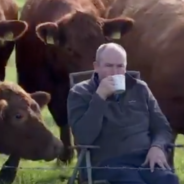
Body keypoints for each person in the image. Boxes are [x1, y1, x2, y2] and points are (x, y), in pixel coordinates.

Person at [67, 43, 179, 184]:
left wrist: (158, 146)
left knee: (169, 180)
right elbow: (83, 137)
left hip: (145, 159)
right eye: (109, 66)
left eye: (120, 66)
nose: (115, 72)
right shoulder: (80, 93)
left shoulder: (140, 88)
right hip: (107, 163)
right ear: (96, 67)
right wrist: (100, 97)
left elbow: (162, 128)